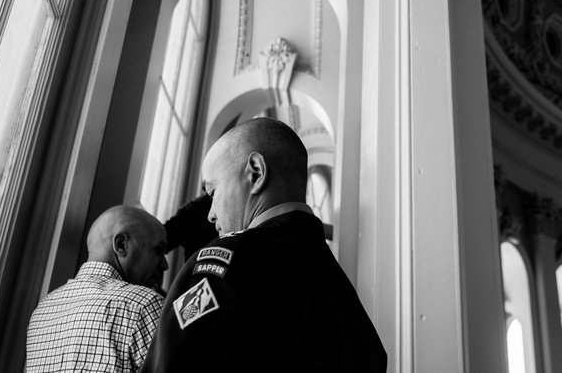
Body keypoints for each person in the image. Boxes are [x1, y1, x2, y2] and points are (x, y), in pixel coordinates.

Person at [142, 117, 387, 372]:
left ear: (256, 173)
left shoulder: (223, 268)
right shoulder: (344, 297)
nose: (210, 214)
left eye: (213, 192)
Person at [26, 205, 169, 372]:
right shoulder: (144, 305)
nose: (165, 264)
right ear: (121, 244)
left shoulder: (42, 311)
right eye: (158, 250)